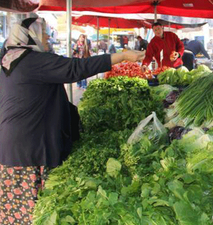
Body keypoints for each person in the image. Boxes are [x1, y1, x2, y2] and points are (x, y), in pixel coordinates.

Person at [0, 15, 144, 224]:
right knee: (35, 212)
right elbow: (76, 68)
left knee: (17, 209)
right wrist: (121, 56)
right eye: (44, 34)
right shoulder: (33, 61)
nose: (49, 38)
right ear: (30, 36)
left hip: (12, 144)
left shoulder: (8, 58)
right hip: (30, 148)